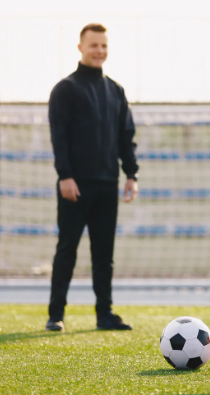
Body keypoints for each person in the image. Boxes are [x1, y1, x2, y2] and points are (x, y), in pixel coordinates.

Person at [47, 23, 139, 331]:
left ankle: (104, 314)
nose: (99, 50)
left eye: (103, 45)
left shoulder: (115, 90)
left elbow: (126, 136)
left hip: (107, 183)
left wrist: (131, 174)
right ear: (80, 48)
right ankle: (55, 314)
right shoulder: (66, 89)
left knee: (104, 255)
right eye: (93, 45)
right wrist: (65, 176)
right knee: (67, 249)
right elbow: (59, 137)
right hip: (75, 185)